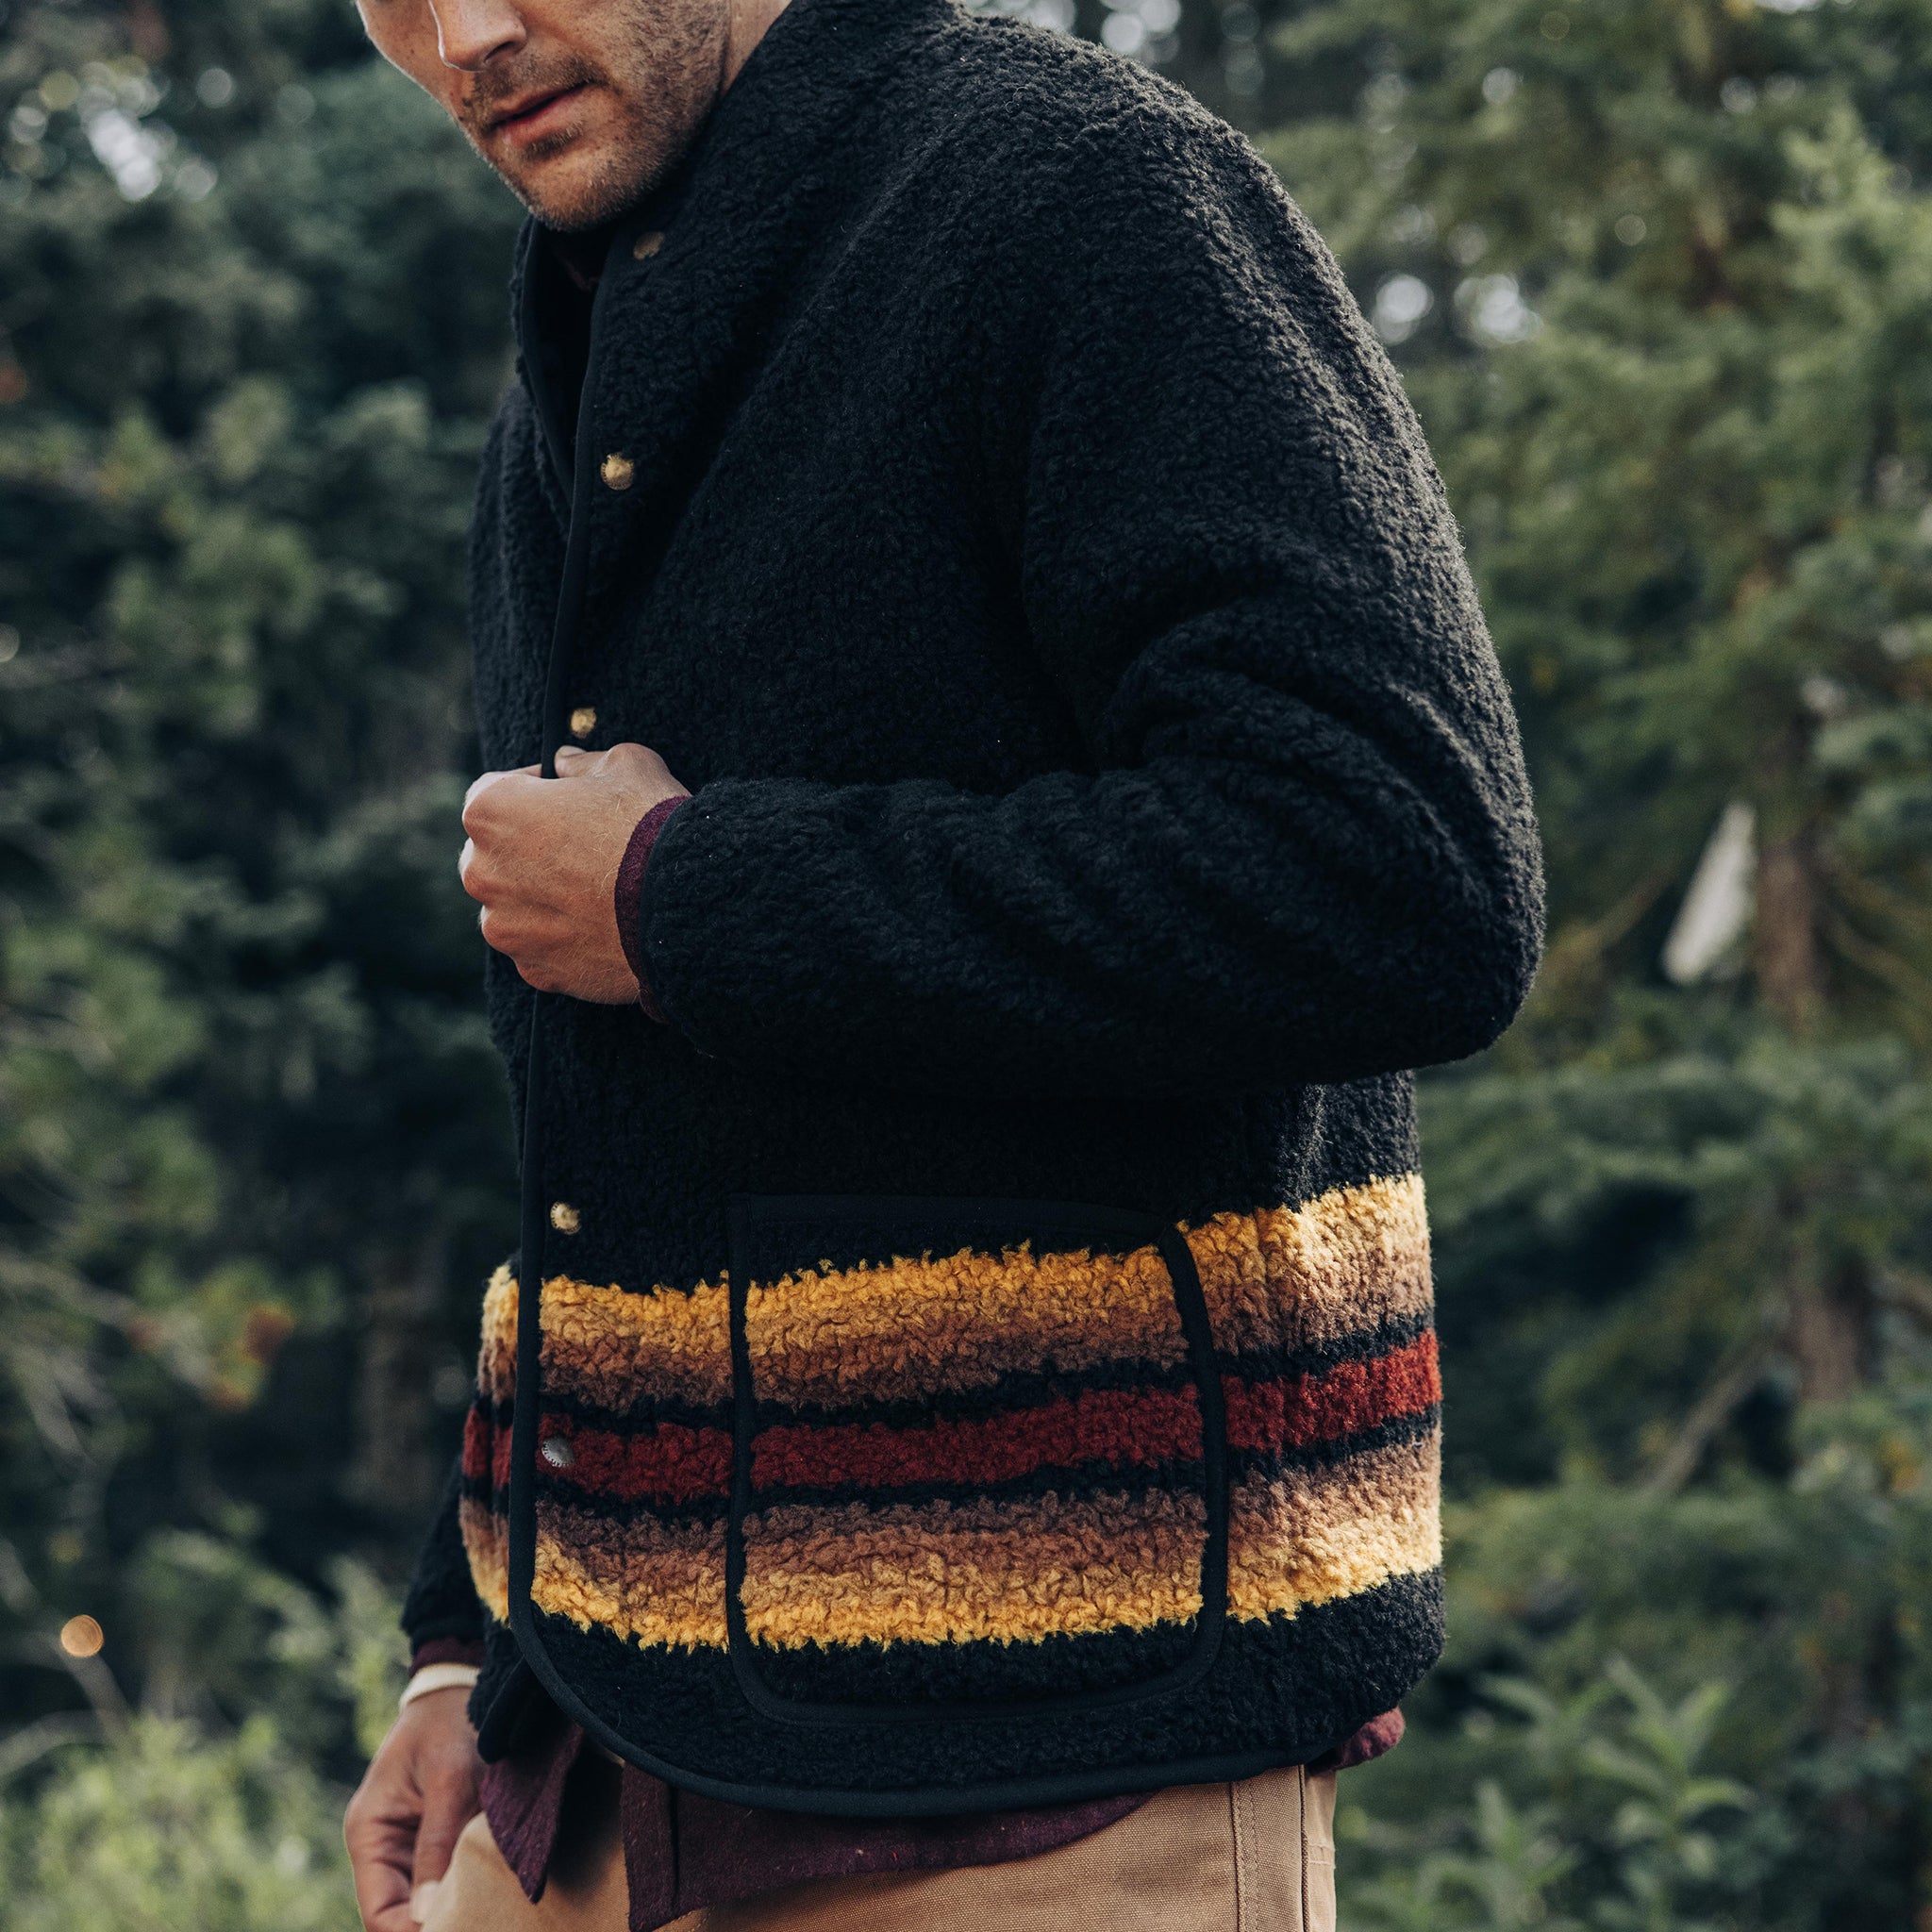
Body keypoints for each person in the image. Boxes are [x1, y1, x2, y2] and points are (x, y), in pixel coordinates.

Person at [341, 0, 1543, 1925]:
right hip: (579, 1779)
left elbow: (1403, 871)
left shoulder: (1079, 193)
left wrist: (687, 897)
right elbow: (608, 1140)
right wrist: (468, 1638)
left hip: (1051, 1801)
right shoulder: (595, 329)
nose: (465, 30)